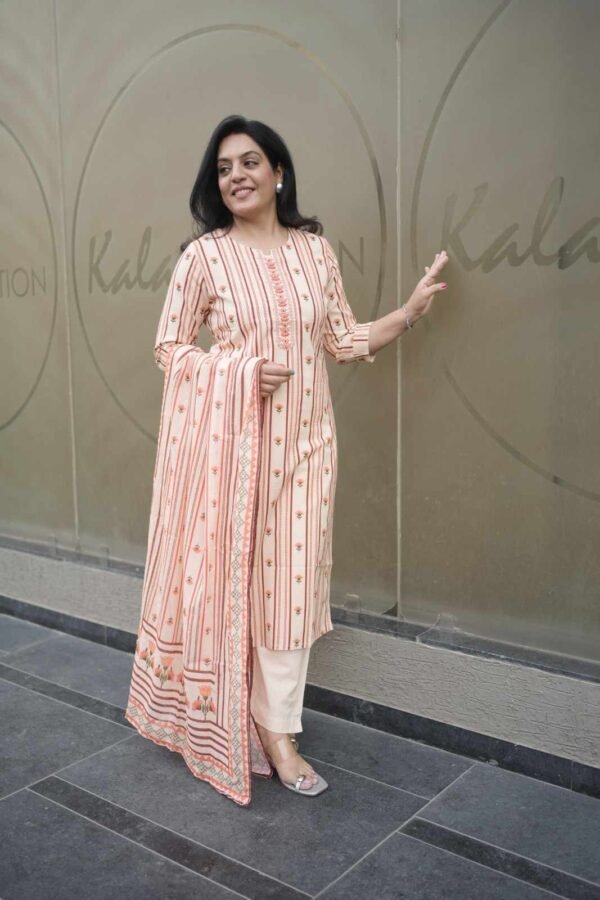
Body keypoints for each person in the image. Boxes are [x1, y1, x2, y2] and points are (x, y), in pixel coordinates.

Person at [125, 114, 448, 804]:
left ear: (278, 172)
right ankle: (221, 709)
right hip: (230, 460)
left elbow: (341, 339)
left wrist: (409, 312)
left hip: (306, 448)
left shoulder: (314, 253)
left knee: (290, 592)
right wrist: (237, 371)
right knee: (231, 587)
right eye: (223, 168)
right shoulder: (204, 258)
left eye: (249, 162)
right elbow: (168, 350)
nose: (236, 176)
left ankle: (278, 730)